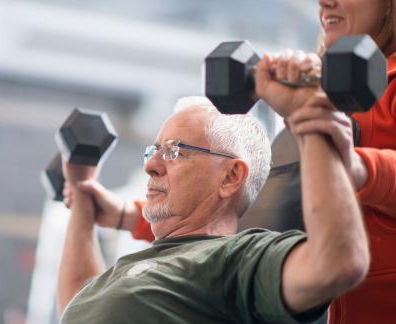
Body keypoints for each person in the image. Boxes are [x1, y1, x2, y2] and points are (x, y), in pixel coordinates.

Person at [67, 0, 396, 322]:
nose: (324, 3)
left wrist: (354, 166)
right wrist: (127, 214)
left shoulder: (337, 108)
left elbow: (228, 219)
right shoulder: (323, 103)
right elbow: (261, 203)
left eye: (174, 151)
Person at [57, 95, 369, 323]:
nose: (151, 165)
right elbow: (79, 302)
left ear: (231, 176)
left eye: (174, 151)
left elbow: (337, 264)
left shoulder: (236, 258)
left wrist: (312, 122)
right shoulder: (134, 265)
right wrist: (82, 200)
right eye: (154, 151)